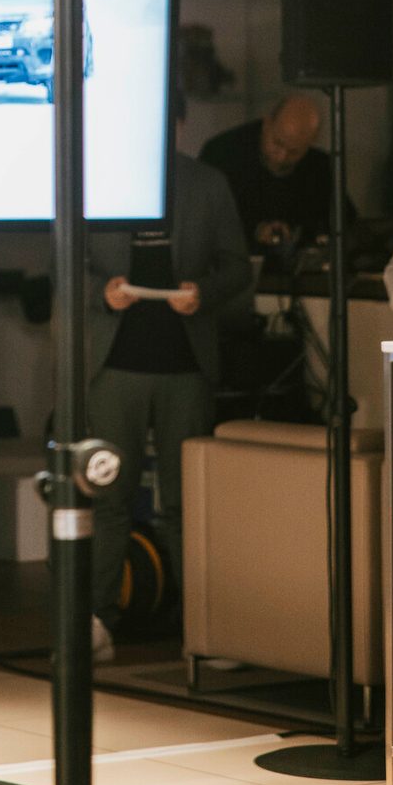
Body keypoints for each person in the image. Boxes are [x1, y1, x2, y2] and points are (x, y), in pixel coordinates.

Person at [86, 150, 250, 662]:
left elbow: (238, 267)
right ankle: (96, 623)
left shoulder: (207, 182)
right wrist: (101, 292)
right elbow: (60, 262)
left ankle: (205, 630)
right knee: (108, 495)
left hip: (186, 363)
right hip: (115, 363)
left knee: (189, 502)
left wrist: (204, 291)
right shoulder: (99, 174)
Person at [199, 96, 350, 254]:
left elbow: (343, 222)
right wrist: (254, 230)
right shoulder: (221, 153)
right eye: (277, 143)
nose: (282, 157)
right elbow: (203, 221)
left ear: (310, 143)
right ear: (267, 124)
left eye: (294, 152)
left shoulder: (320, 167)